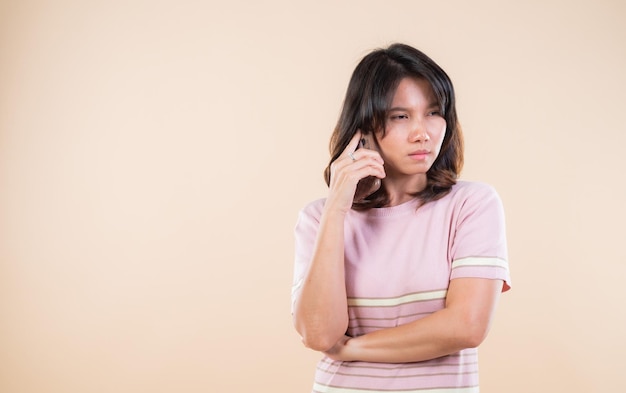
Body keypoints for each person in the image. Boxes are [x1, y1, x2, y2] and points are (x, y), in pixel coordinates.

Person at [291, 43, 511, 393]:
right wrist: (337, 207)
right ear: (363, 128)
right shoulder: (319, 217)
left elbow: (467, 326)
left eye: (434, 113)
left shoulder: (471, 204)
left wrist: (353, 348)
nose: (422, 132)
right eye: (400, 116)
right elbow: (318, 333)